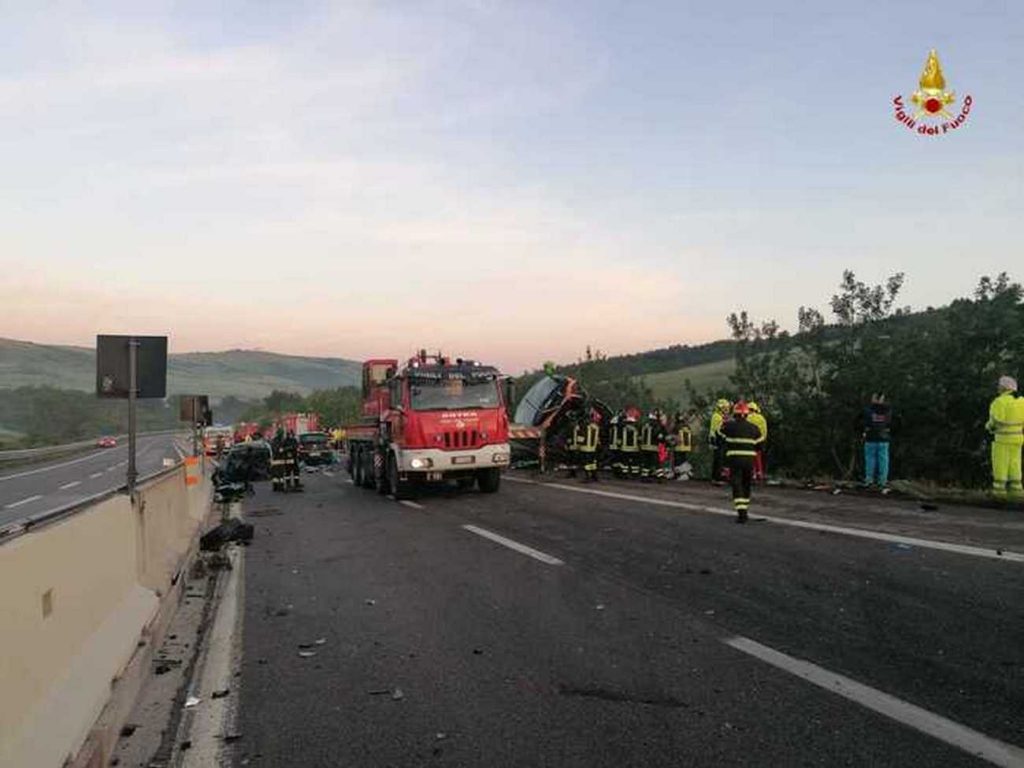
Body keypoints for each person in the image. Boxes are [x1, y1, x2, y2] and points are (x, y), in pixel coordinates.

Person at [722, 401, 761, 523]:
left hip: (734, 460)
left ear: (735, 414)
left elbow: (719, 435)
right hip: (749, 461)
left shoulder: (729, 426)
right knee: (746, 484)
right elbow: (760, 445)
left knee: (737, 484)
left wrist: (725, 421)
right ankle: (745, 509)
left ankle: (741, 513)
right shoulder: (754, 428)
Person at [986, 376, 1024, 500]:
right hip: (1018, 438)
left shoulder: (999, 402)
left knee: (1000, 465)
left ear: (1004, 388)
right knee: (1015, 464)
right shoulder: (1021, 401)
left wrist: (989, 427)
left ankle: (999, 492)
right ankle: (1017, 492)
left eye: (999, 385)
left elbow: (996, 421)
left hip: (1002, 439)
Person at [861, 393, 893, 489]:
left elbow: (864, 422)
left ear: (874, 399)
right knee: (883, 460)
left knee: (870, 459)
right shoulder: (888, 411)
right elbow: (890, 423)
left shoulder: (868, 410)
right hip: (884, 438)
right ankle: (882, 481)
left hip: (870, 438)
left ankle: (869, 480)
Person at [708, 399, 731, 483]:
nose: (727, 410)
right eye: (725, 408)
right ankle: (718, 477)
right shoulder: (717, 416)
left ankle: (715, 477)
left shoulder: (717, 415)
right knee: (719, 459)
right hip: (718, 439)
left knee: (718, 458)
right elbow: (719, 430)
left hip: (716, 439)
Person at [578, 408, 601, 482]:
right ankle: (594, 476)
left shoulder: (585, 427)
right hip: (593, 448)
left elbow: (581, 437)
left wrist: (578, 445)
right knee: (593, 463)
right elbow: (597, 439)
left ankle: (587, 477)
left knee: (587, 463)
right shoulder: (596, 427)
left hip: (585, 448)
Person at [747, 401, 768, 482]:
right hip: (760, 440)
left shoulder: (747, 417)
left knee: (750, 458)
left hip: (749, 440)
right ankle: (759, 473)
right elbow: (764, 431)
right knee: (758, 457)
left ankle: (753, 474)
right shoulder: (761, 418)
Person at [620, 410, 640, 478]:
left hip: (624, 449)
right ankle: (634, 474)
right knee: (634, 463)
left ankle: (624, 473)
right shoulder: (636, 430)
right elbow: (639, 439)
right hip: (634, 449)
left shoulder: (623, 429)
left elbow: (620, 439)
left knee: (625, 462)